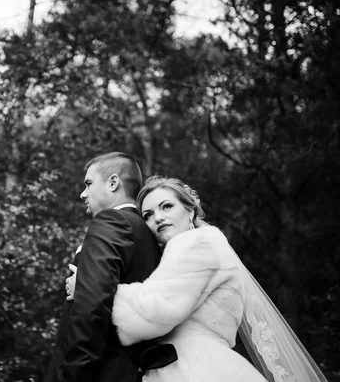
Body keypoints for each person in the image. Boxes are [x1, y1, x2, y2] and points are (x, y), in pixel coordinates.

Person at [101, 175, 326, 381]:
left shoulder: (194, 243)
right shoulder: (210, 243)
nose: (158, 218)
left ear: (190, 211)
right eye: (147, 215)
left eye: (167, 206)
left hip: (191, 367)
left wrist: (98, 288)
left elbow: (153, 313)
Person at [44, 153, 177, 382]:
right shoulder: (148, 236)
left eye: (88, 183)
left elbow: (92, 305)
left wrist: (73, 374)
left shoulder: (112, 221)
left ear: (113, 182)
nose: (82, 193)